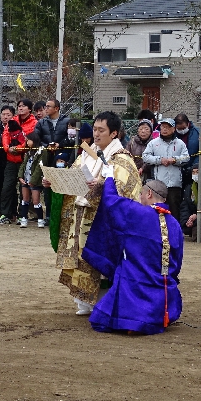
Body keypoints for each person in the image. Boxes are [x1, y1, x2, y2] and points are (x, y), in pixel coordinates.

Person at [44, 111, 142, 316]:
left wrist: (103, 184)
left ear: (113, 133)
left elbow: (126, 190)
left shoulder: (122, 159)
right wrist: (53, 180)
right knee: (81, 259)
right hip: (81, 215)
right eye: (95, 129)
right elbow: (72, 176)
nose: (96, 134)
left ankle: (104, 303)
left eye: (101, 130)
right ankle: (83, 300)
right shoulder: (87, 153)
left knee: (99, 259)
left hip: (102, 220)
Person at [83, 178, 183, 335]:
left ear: (149, 194)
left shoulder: (138, 213)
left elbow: (111, 202)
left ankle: (132, 320)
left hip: (135, 286)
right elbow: (177, 262)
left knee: (100, 319)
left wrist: (108, 180)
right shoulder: (175, 224)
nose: (139, 198)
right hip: (163, 296)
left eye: (141, 194)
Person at [142, 117, 190, 220]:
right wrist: (159, 160)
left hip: (174, 184)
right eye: (163, 127)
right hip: (158, 183)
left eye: (167, 127)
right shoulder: (154, 143)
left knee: (174, 211)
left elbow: (186, 157)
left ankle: (174, 229)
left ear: (173, 129)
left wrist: (175, 160)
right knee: (158, 210)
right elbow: (145, 157)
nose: (164, 129)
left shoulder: (180, 143)